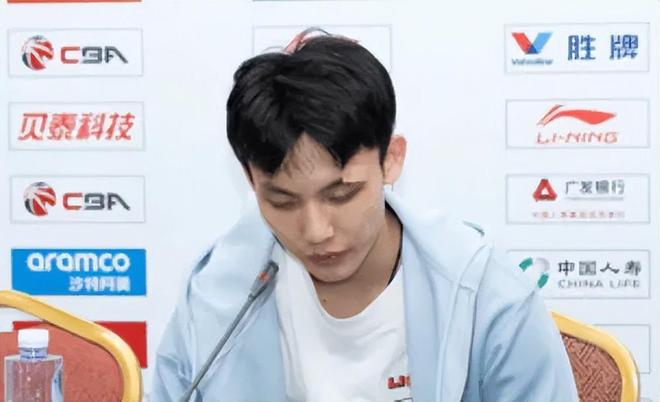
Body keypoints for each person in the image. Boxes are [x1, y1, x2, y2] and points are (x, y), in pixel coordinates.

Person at [151, 28, 579, 402]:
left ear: (391, 159)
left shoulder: (486, 296)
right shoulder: (216, 294)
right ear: (249, 179)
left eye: (341, 194)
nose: (315, 231)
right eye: (282, 201)